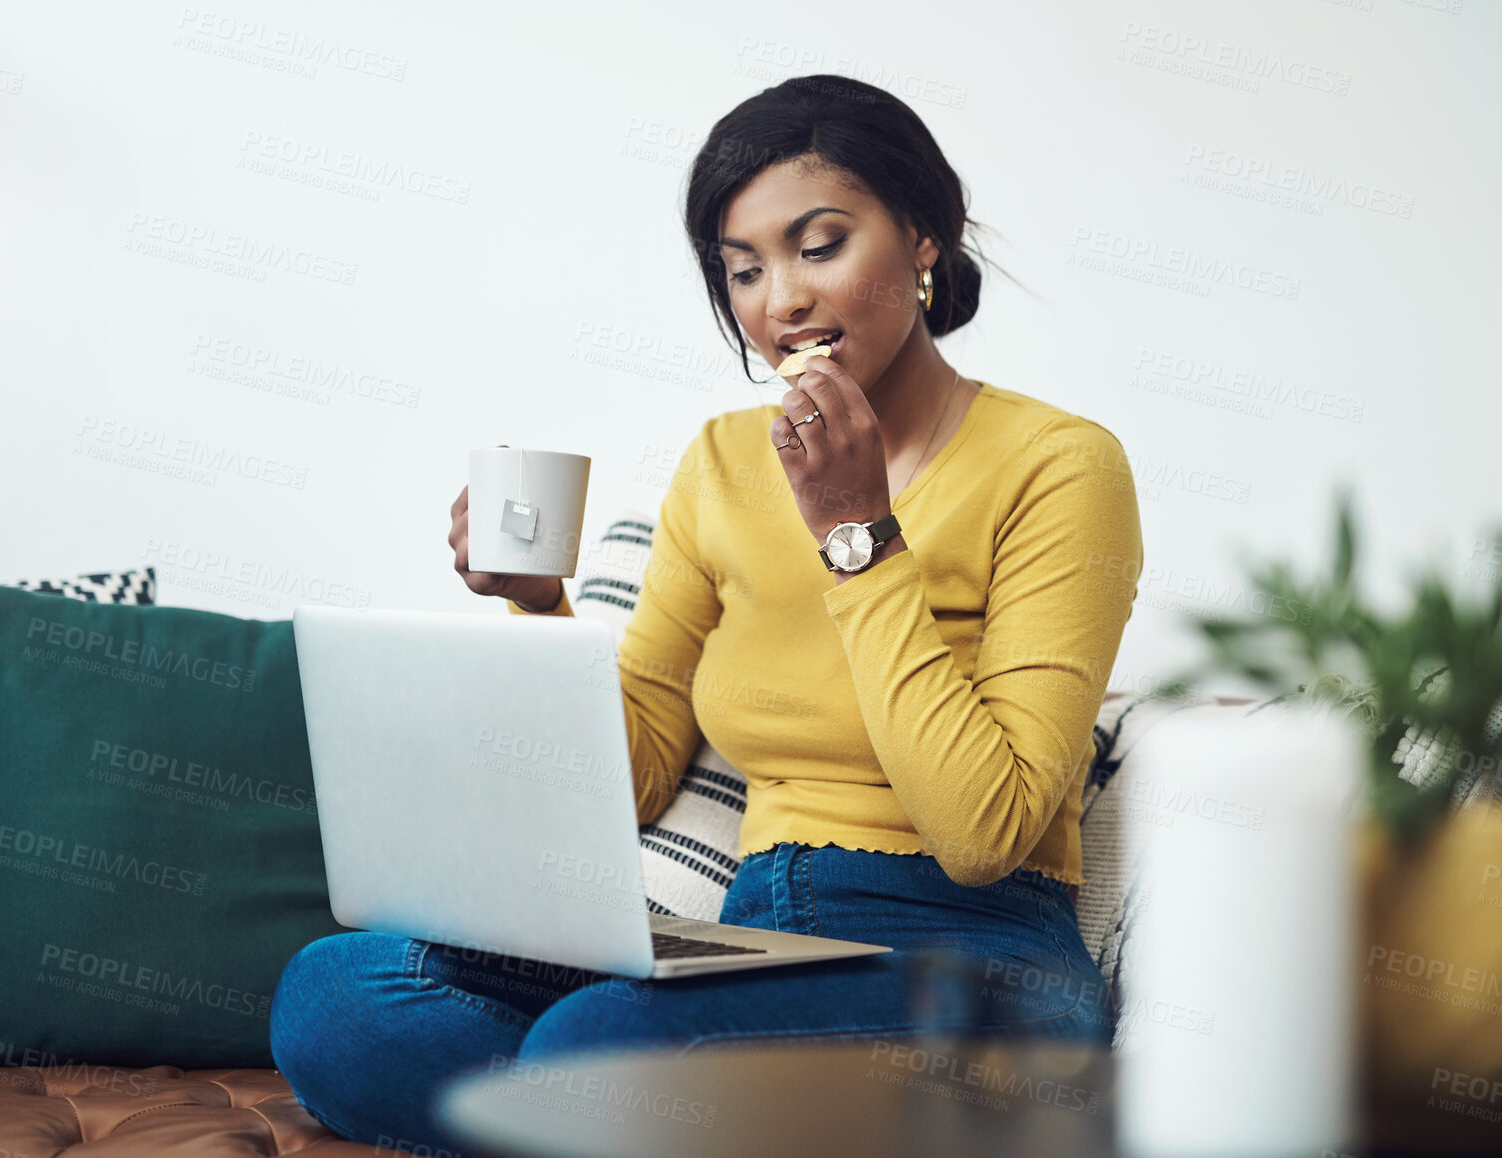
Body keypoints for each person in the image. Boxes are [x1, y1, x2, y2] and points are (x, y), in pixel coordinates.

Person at [270, 73, 1144, 1152]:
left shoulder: (1059, 464)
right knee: (340, 992)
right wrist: (539, 608)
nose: (780, 301)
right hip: (751, 948)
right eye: (743, 270)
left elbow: (985, 832)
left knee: (591, 1052)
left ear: (922, 237)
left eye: (818, 244)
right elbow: (632, 773)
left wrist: (855, 535)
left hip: (975, 964)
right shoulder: (723, 462)